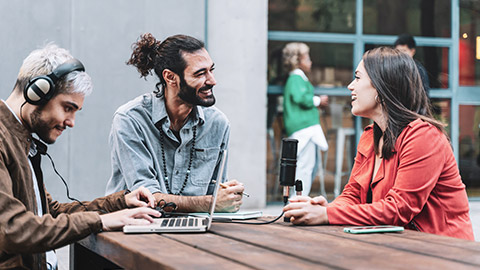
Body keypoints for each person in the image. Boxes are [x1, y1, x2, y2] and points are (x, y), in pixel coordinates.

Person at [283, 47, 474, 241]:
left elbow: (398, 210)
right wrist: (325, 209)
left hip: (445, 252)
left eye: (357, 78)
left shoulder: (424, 136)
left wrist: (327, 215)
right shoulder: (370, 137)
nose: (350, 86)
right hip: (400, 246)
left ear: (381, 87)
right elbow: (353, 194)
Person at [0, 44, 160, 270]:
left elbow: (50, 213)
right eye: (67, 108)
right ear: (38, 92)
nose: (71, 122)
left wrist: (119, 203)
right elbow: (11, 229)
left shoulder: (22, 141)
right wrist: (100, 221)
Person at [105, 33, 244, 213]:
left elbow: (214, 194)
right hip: (136, 228)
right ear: (170, 77)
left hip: (194, 229)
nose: (212, 81)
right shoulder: (130, 120)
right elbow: (147, 197)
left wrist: (228, 197)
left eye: (211, 70)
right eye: (200, 73)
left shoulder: (218, 124)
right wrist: (212, 203)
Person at [282, 42, 329, 196]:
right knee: (305, 166)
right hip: (304, 128)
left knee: (308, 165)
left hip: (305, 128)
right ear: (298, 60)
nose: (310, 61)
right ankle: (298, 200)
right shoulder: (296, 77)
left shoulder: (297, 78)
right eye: (307, 58)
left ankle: (299, 199)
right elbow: (299, 97)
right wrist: (317, 101)